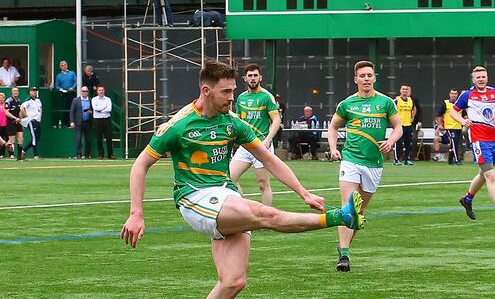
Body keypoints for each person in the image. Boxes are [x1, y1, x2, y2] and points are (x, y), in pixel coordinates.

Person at [120, 60, 364, 299]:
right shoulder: (179, 125)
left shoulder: (233, 122)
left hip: (225, 194)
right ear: (206, 90)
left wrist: (304, 193)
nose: (231, 97)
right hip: (194, 198)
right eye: (225, 92)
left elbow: (269, 160)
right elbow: (140, 165)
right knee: (266, 215)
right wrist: (136, 213)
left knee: (233, 282)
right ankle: (340, 216)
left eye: (233, 91)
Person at [327, 60, 402, 272]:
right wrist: (334, 148)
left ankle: (344, 245)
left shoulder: (386, 102)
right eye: (362, 76)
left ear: (374, 78)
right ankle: (344, 256)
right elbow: (333, 127)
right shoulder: (347, 104)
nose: (366, 79)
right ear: (356, 80)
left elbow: (398, 127)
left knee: (359, 211)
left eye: (369, 75)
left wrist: (391, 141)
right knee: (347, 206)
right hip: (350, 159)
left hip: (374, 164)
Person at [453, 66, 495, 225]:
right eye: (478, 77)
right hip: (478, 139)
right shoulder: (467, 95)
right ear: (473, 79)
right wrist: (463, 121)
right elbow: (453, 112)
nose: (481, 79)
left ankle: (467, 199)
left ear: (487, 78)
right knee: (490, 176)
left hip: (493, 139)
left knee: (483, 174)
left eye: (483, 76)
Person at [230, 64, 282, 206]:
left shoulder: (266, 96)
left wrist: (267, 140)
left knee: (263, 183)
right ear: (245, 78)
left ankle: (266, 218)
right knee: (229, 179)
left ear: (260, 77)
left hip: (261, 146)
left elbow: (276, 120)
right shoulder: (241, 98)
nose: (253, 78)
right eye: (250, 76)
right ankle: (245, 210)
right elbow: (239, 121)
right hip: (245, 145)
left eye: (255, 75)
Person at [436, 88, 464, 165]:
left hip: (458, 126)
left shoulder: (460, 104)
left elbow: (464, 115)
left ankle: (450, 160)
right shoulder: (445, 103)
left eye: (455, 94)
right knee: (454, 142)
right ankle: (457, 159)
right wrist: (440, 124)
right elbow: (439, 115)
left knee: (454, 143)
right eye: (452, 94)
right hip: (449, 127)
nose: (454, 95)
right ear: (449, 94)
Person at [393, 84, 416, 166]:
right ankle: (396, 159)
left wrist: (412, 117)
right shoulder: (397, 100)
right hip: (399, 125)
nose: (405, 91)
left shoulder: (410, 100)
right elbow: (391, 110)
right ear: (400, 90)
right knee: (398, 143)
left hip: (408, 125)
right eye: (403, 89)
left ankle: (407, 159)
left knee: (408, 143)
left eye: (406, 89)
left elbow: (414, 109)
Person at [91, 85, 116, 159]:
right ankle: (100, 155)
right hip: (97, 120)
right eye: (100, 90)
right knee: (99, 138)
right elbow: (95, 108)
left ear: (104, 91)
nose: (101, 91)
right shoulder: (94, 99)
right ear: (97, 91)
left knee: (109, 138)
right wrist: (103, 108)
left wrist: (100, 110)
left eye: (102, 90)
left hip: (106, 119)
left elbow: (109, 109)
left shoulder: (108, 99)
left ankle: (110, 154)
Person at [70, 86, 94, 158]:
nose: (84, 93)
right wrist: (72, 121)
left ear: (88, 92)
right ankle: (78, 154)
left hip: (88, 122)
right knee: (78, 139)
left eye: (86, 91)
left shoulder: (90, 100)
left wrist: (91, 112)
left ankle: (87, 155)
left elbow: (93, 110)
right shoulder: (76, 100)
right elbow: (72, 111)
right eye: (83, 91)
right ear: (81, 92)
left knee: (88, 140)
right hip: (78, 123)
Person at [21, 87, 43, 161]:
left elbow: (40, 109)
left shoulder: (38, 100)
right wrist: (28, 117)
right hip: (32, 121)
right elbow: (21, 108)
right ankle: (35, 155)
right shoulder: (28, 100)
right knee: (34, 137)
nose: (34, 92)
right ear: (30, 92)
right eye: (33, 91)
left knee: (37, 138)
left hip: (37, 121)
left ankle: (23, 150)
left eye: (35, 91)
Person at [4, 87, 23, 160]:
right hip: (11, 122)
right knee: (11, 141)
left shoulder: (19, 101)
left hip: (18, 122)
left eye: (17, 91)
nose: (16, 92)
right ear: (12, 92)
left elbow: (19, 112)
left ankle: (19, 156)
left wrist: (21, 120)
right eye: (14, 91)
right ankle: (8, 152)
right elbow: (6, 112)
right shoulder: (9, 101)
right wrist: (15, 118)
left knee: (21, 138)